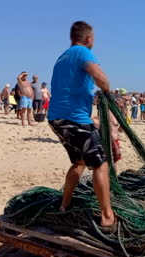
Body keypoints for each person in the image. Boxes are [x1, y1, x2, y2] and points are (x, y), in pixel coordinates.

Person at [48, 21, 115, 230]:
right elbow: (98, 76)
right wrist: (106, 88)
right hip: (75, 120)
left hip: (56, 119)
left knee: (79, 162)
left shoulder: (62, 57)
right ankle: (107, 217)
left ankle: (64, 204)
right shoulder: (82, 52)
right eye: (93, 38)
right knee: (100, 163)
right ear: (88, 39)